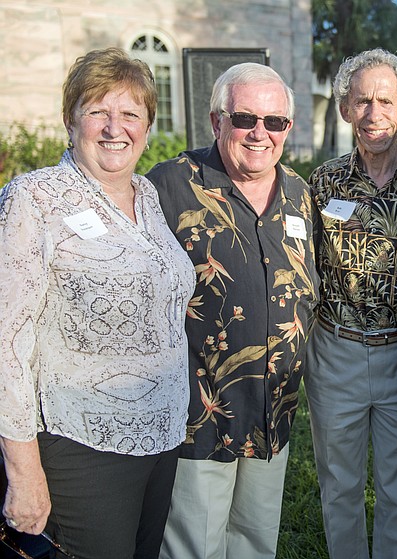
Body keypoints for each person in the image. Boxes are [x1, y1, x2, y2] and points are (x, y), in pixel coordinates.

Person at [0, 47, 194, 558]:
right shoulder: (34, 198)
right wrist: (23, 471)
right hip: (81, 445)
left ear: (147, 126)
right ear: (70, 120)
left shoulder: (147, 198)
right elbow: (7, 342)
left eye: (131, 114)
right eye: (97, 112)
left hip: (161, 437)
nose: (115, 128)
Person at [147, 63, 319, 559]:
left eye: (275, 122)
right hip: (200, 416)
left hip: (275, 410)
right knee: (194, 546)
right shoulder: (169, 186)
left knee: (255, 542)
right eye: (245, 118)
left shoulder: (299, 196)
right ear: (216, 120)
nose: (260, 133)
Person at [306, 48, 397, 559]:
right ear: (344, 109)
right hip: (334, 351)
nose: (373, 112)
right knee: (338, 483)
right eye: (361, 101)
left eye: (386, 100)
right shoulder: (323, 182)